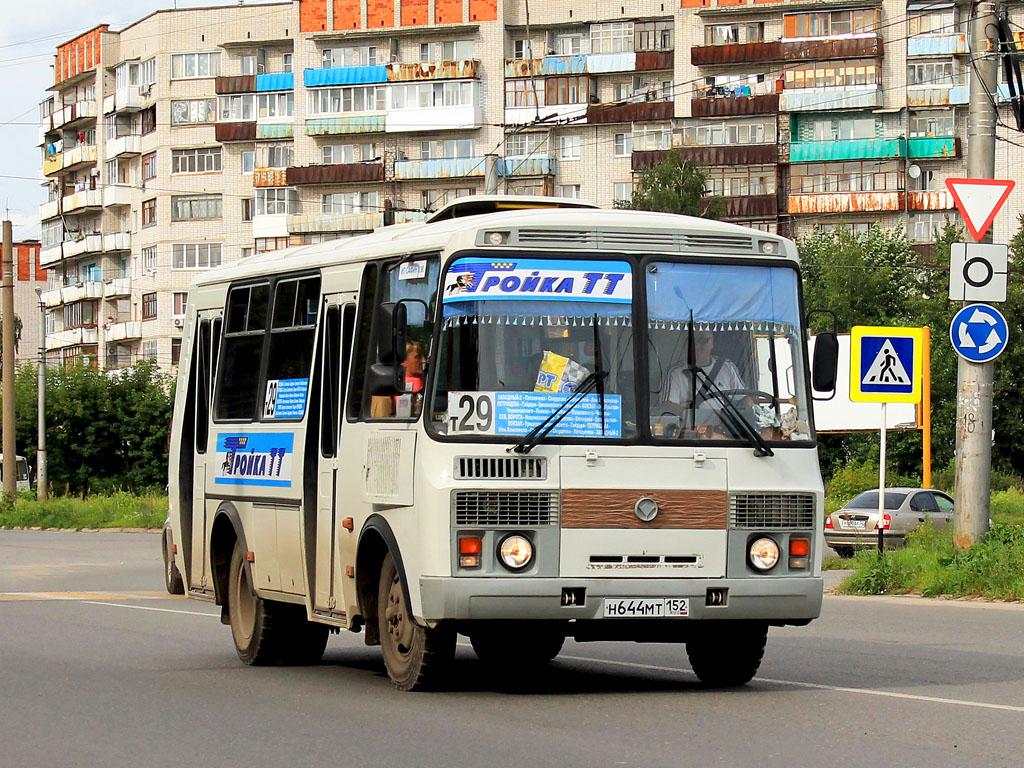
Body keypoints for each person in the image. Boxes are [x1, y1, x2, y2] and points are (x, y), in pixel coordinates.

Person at [662, 331, 748, 435]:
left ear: (712, 343)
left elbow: (745, 398)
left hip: (723, 429)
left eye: (703, 340)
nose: (697, 346)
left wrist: (753, 416)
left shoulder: (727, 367)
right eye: (692, 341)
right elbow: (668, 405)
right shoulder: (676, 373)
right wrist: (699, 417)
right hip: (691, 431)